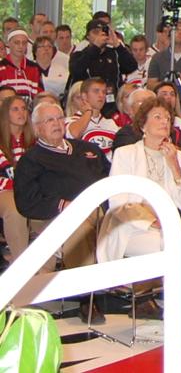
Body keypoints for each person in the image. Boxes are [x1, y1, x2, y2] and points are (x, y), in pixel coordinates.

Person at [97, 98, 181, 355]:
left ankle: (177, 318)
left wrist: (174, 166)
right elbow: (117, 201)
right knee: (173, 246)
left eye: (167, 118)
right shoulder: (126, 154)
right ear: (143, 125)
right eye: (157, 117)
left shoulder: (177, 155)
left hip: (167, 227)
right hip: (130, 227)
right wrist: (151, 219)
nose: (164, 122)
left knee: (179, 243)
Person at [15, 99, 109, 323]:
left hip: (99, 208)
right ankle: (87, 298)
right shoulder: (31, 160)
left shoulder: (88, 149)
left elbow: (109, 176)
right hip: (58, 216)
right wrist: (62, 205)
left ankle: (144, 294)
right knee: (78, 228)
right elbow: (26, 202)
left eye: (59, 118)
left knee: (133, 220)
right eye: (49, 120)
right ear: (37, 128)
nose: (57, 123)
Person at [68, 18, 137, 104]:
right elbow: (75, 70)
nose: (100, 35)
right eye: (96, 32)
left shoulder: (115, 53)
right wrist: (95, 47)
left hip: (113, 103)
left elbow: (132, 66)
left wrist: (117, 45)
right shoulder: (79, 54)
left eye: (103, 32)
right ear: (88, 36)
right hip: (89, 104)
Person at [0, 94, 34, 266]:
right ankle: (23, 267)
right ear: (5, 114)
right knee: (15, 209)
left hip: (30, 191)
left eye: (24, 109)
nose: (21, 112)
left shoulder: (35, 140)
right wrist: (19, 185)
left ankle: (46, 272)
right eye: (15, 109)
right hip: (4, 191)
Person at [65, 76, 119, 161]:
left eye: (104, 92)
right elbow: (74, 135)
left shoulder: (111, 123)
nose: (101, 95)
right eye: (96, 91)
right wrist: (88, 112)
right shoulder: (70, 120)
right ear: (84, 96)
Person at [0, 29, 43, 100]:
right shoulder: (1, 67)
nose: (21, 46)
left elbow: (39, 96)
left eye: (24, 43)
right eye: (17, 42)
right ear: (8, 44)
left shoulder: (34, 68)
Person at [32, 35, 69, 99]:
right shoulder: (29, 68)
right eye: (42, 46)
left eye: (49, 46)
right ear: (35, 51)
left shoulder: (62, 70)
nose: (46, 49)